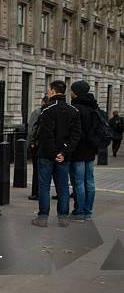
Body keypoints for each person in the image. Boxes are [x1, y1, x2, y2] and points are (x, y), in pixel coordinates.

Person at [31, 80, 81, 228]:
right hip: (64, 156)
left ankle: (43, 217)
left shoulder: (46, 110)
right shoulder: (74, 111)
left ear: (52, 91)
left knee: (44, 186)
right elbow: (76, 135)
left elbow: (46, 135)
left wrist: (53, 153)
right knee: (63, 187)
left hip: (47, 155)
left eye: (48, 90)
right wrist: (64, 152)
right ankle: (63, 217)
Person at [69, 81, 98, 222]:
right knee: (90, 181)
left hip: (78, 150)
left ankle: (79, 211)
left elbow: (73, 131)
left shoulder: (74, 108)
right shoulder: (94, 108)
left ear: (77, 92)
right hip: (91, 149)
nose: (70, 92)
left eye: (72, 90)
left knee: (78, 182)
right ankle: (88, 211)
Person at [27, 95, 49, 201]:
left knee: (37, 169)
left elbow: (32, 128)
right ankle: (41, 192)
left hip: (36, 144)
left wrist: (31, 142)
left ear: (42, 102)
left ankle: (36, 192)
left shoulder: (37, 112)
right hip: (46, 145)